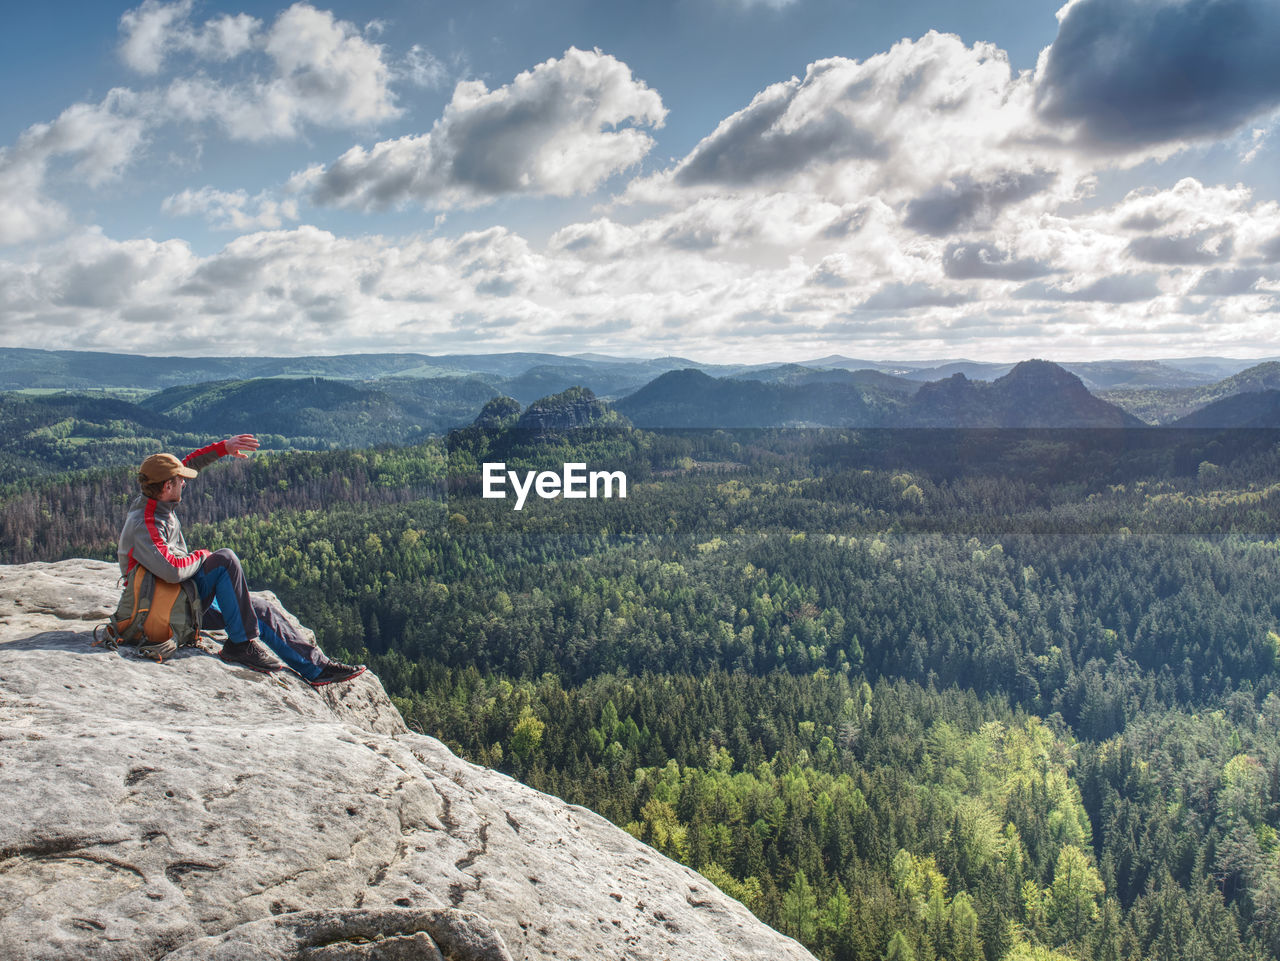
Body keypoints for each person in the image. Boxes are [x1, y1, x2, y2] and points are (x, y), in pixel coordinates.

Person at [117, 434, 366, 687]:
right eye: (180, 481)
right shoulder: (145, 522)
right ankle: (239, 645)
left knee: (258, 608)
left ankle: (317, 669)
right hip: (164, 611)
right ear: (167, 487)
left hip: (181, 597)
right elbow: (171, 569)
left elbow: (188, 463)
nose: (185, 483)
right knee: (224, 559)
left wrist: (224, 448)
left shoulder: (156, 499)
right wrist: (201, 556)